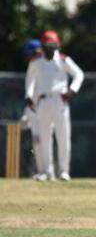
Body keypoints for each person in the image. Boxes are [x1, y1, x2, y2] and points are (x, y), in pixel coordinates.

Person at [25, 30, 85, 181]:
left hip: (60, 101)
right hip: (43, 101)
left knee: (63, 136)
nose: (51, 49)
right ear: (43, 46)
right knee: (45, 137)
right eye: (48, 46)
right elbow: (30, 80)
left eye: (53, 46)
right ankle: (47, 171)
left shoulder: (64, 60)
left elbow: (79, 74)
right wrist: (28, 96)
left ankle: (64, 171)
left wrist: (72, 90)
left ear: (57, 46)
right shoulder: (36, 61)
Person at [20, 39, 45, 179]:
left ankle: (48, 171)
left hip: (45, 109)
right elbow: (30, 95)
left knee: (44, 141)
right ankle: (41, 171)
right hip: (34, 110)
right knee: (36, 141)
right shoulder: (33, 66)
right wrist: (26, 115)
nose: (30, 57)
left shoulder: (44, 66)